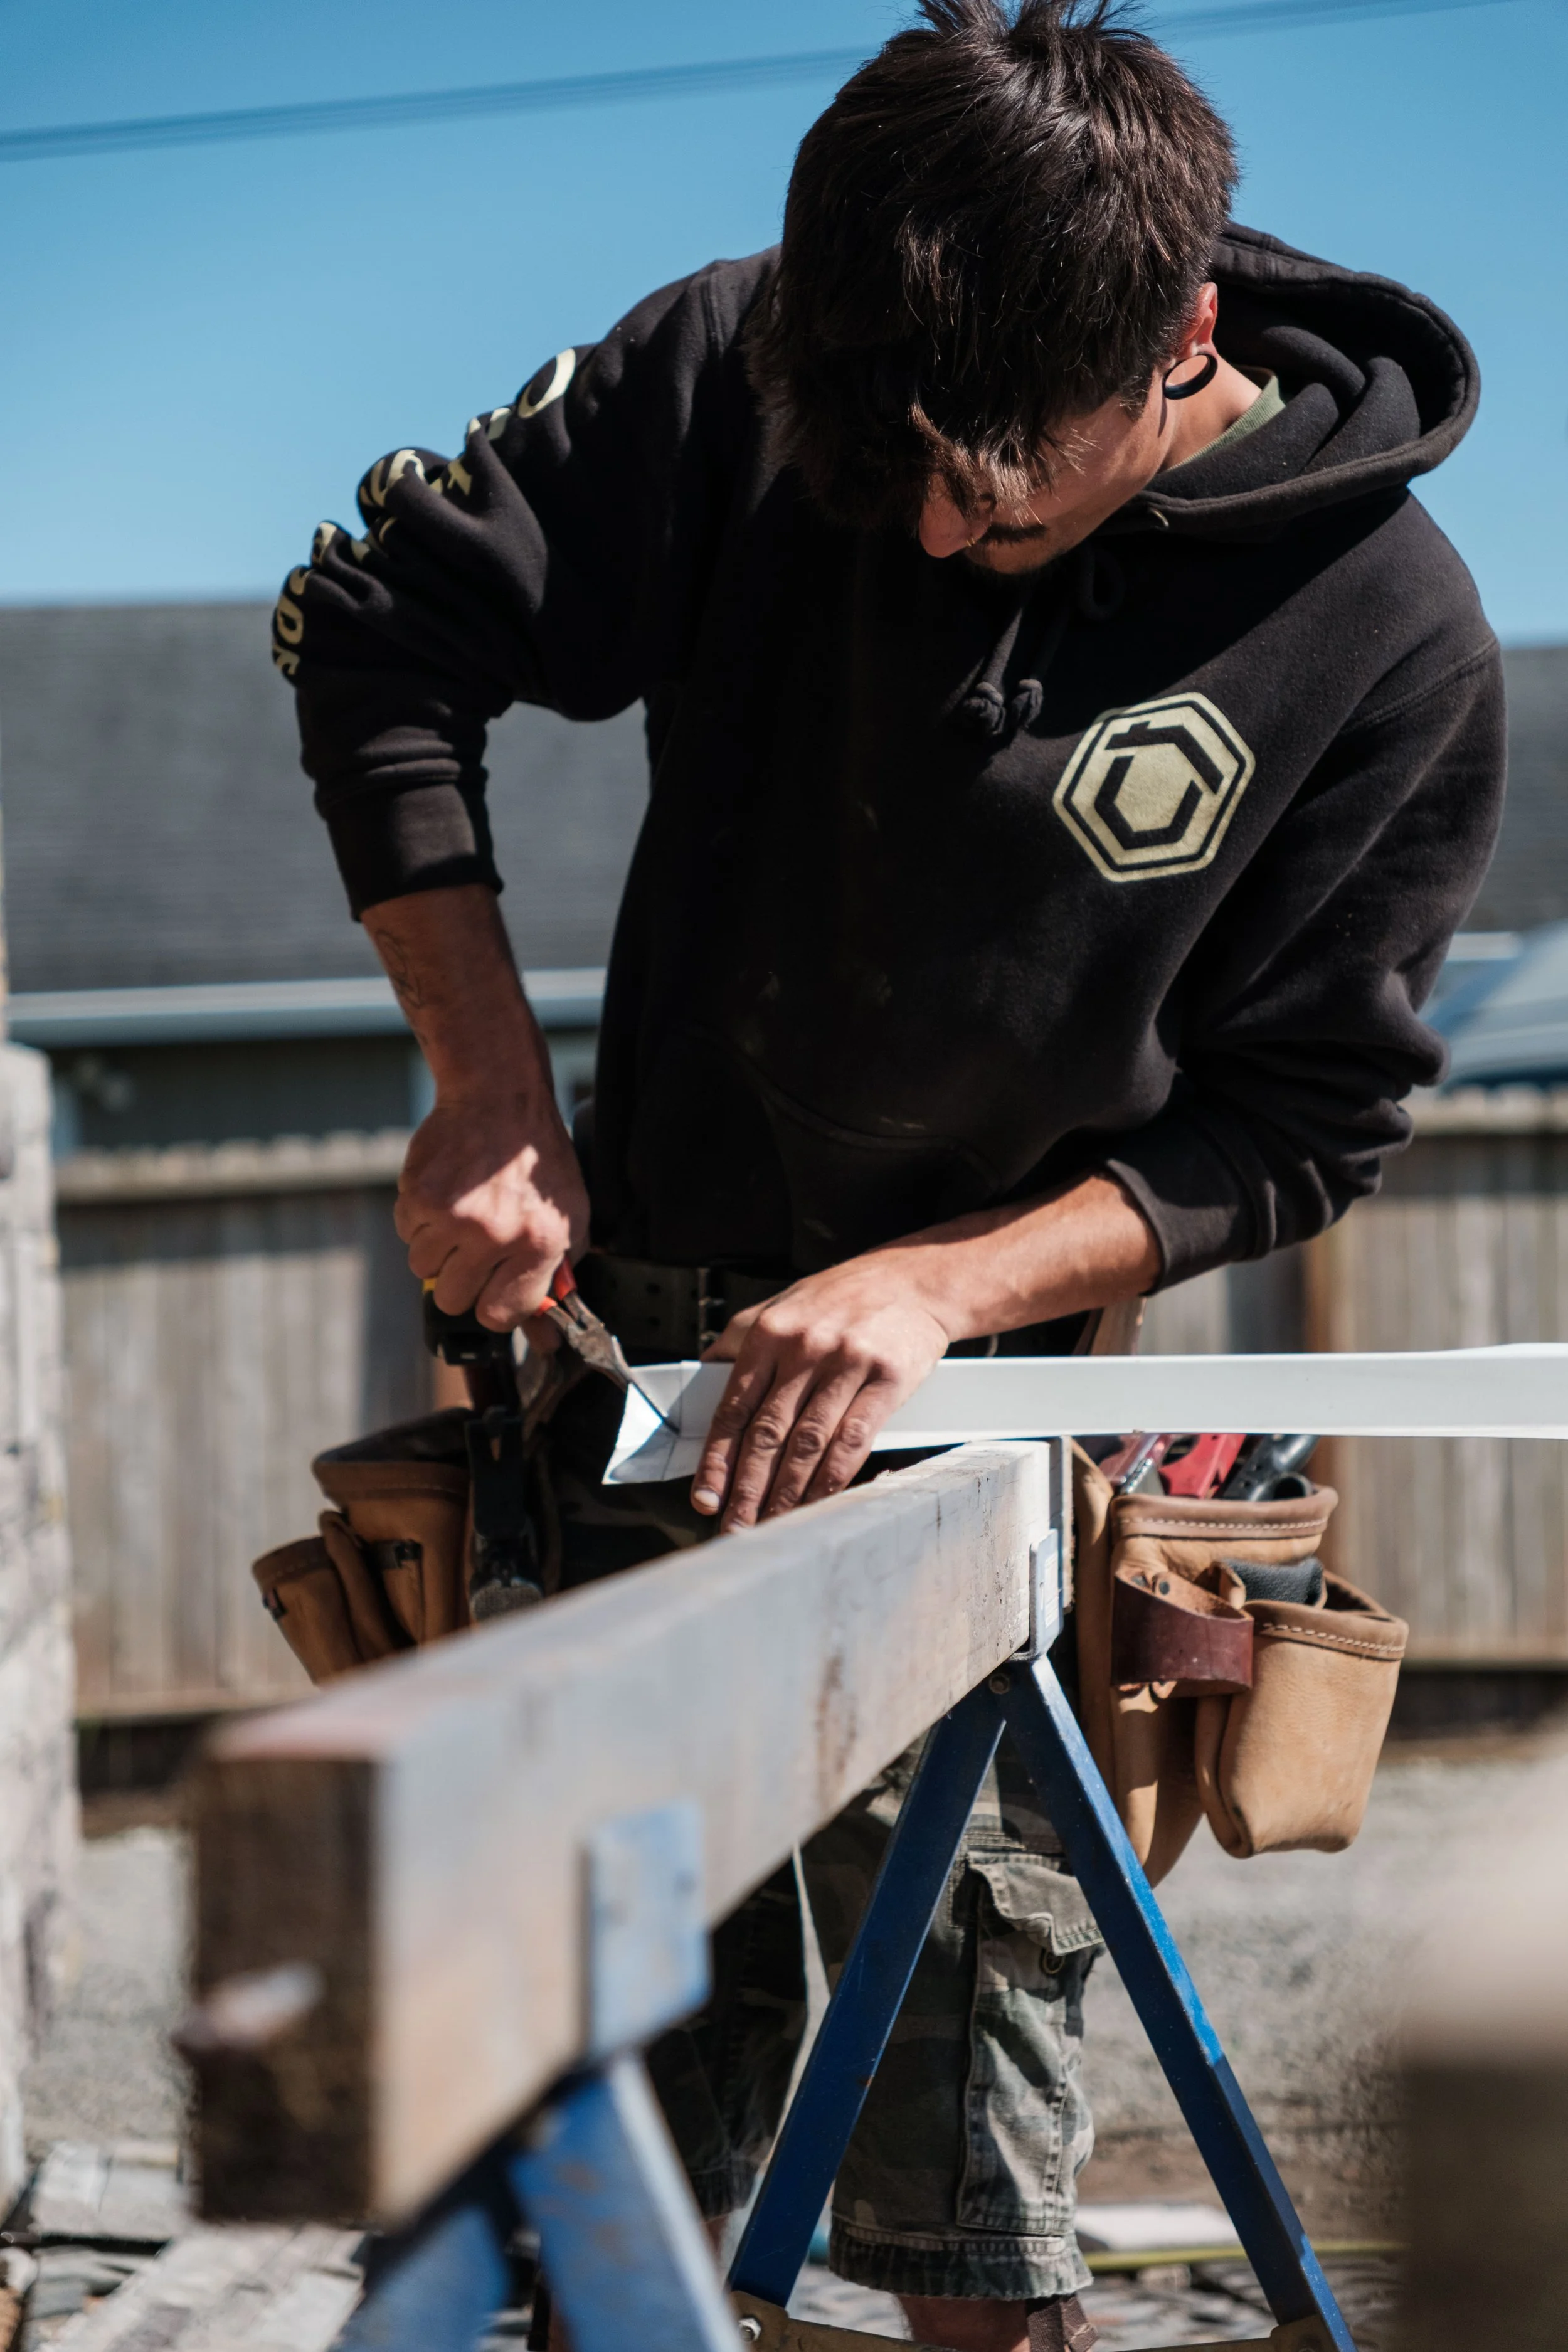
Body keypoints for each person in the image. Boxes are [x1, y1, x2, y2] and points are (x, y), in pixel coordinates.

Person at [273, 3, 1503, 2341]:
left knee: (976, 2176)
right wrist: (484, 1080)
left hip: (1001, 1417)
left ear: (1183, 342)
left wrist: (946, 1280)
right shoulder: (746, 358)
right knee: (580, 2142)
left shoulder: (1388, 636)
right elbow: (373, 625)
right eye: (888, 485)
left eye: (997, 494)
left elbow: (1302, 1119)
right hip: (623, 1353)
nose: (933, 533)